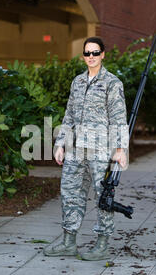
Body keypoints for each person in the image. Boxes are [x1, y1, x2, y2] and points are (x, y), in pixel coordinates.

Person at [43, 37, 129, 261]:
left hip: (101, 149)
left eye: (95, 52)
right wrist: (60, 143)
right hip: (75, 148)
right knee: (70, 193)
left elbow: (119, 118)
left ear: (103, 55)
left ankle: (102, 244)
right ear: (83, 56)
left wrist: (120, 149)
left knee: (103, 196)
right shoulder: (78, 82)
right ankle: (68, 242)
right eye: (87, 53)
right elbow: (69, 114)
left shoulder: (112, 83)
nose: (91, 57)